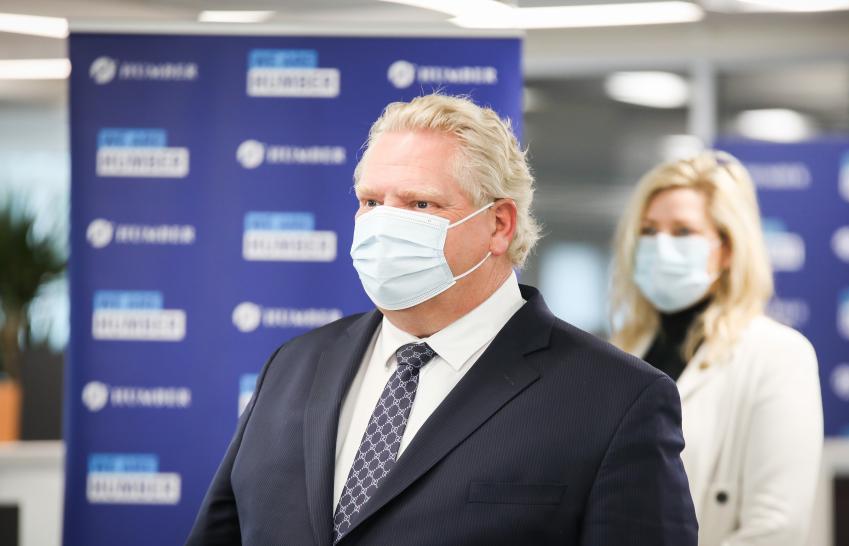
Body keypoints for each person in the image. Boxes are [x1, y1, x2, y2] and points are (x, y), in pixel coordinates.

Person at [187, 94, 697, 546]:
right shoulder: (295, 366)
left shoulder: (614, 400)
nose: (384, 224)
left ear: (499, 225)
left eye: (419, 203)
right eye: (370, 202)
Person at [609, 151, 823, 546]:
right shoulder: (620, 352)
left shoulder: (778, 355)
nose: (661, 247)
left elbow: (777, 528)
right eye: (649, 231)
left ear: (726, 249)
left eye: (683, 232)